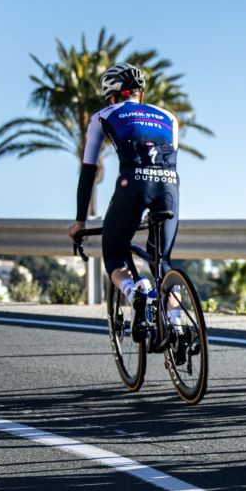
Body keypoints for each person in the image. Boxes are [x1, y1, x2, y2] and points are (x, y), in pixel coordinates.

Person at [68, 63, 181, 326]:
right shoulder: (169, 117)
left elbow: (88, 170)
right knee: (162, 262)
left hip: (133, 183)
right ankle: (177, 324)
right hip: (169, 186)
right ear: (141, 93)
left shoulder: (102, 116)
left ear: (111, 95)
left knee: (114, 254)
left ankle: (134, 291)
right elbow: (169, 161)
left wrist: (80, 222)